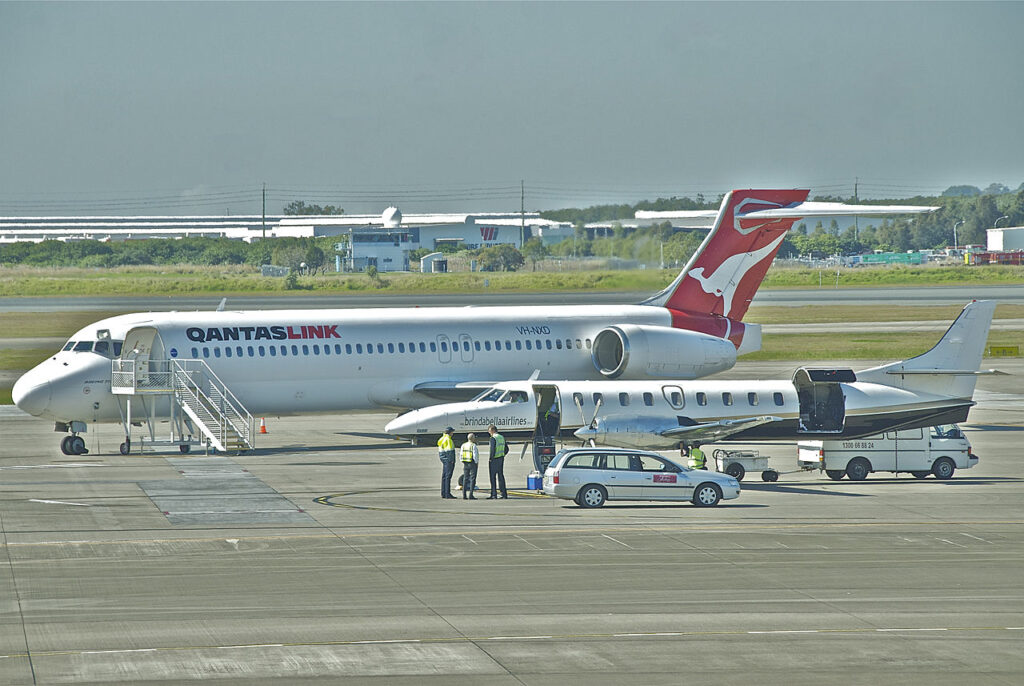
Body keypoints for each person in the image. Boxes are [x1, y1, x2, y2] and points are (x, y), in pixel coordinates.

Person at [486, 424, 508, 499]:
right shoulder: (502, 437)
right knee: (501, 476)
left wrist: (490, 458)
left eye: (489, 431)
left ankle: (493, 494)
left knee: (492, 477)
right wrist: (502, 454)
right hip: (501, 459)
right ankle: (504, 494)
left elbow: (492, 449)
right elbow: (507, 449)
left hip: (494, 459)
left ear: (492, 430)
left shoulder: (493, 438)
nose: (489, 433)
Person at [437, 427, 456, 499]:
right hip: (448, 460)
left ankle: (443, 493)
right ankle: (447, 493)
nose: (453, 433)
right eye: (452, 432)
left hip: (444, 459)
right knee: (448, 477)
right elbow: (450, 451)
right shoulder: (448, 440)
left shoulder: (442, 439)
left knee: (444, 477)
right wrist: (452, 461)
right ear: (450, 432)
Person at [460, 432, 479, 499]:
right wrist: (476, 463)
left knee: (465, 478)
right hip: (472, 463)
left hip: (465, 463)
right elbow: (475, 455)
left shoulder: (463, 445)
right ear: (473, 438)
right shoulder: (473, 445)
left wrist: (462, 460)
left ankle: (464, 495)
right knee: (472, 479)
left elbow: (461, 454)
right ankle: (471, 494)